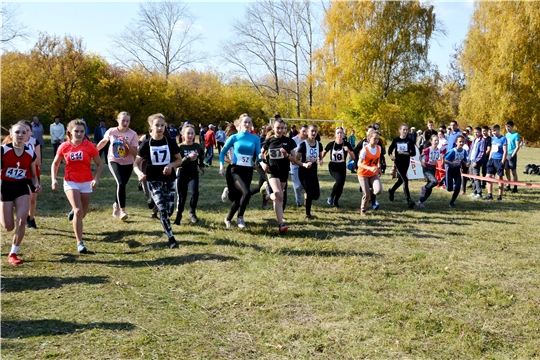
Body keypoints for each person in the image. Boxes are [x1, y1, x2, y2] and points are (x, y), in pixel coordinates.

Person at [51, 119, 103, 254]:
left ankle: (74, 212)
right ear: (70, 132)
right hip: (70, 181)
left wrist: (96, 179)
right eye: (76, 131)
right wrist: (53, 179)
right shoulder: (64, 146)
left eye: (82, 131)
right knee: (79, 211)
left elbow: (100, 164)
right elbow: (55, 164)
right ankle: (80, 242)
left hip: (86, 182)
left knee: (82, 214)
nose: (79, 134)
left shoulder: (89, 146)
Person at [133, 113, 183, 249]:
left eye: (162, 125)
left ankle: (154, 201)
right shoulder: (145, 144)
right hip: (153, 179)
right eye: (157, 125)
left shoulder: (170, 142)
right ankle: (171, 237)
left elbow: (179, 160)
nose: (160, 128)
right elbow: (135, 164)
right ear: (151, 126)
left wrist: (171, 165)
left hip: (169, 179)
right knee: (163, 210)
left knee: (170, 209)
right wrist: (139, 173)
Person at [1, 123, 41, 264]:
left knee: (22, 221)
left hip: (21, 188)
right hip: (4, 188)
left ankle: (13, 253)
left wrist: (36, 184)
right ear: (11, 134)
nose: (20, 135)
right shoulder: (3, 150)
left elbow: (33, 174)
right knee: (8, 227)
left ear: (27, 135)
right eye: (17, 132)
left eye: (23, 132)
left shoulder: (30, 153)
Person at [219, 114, 262, 229]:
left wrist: (261, 158)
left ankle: (228, 218)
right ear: (240, 124)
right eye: (245, 122)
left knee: (239, 199)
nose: (247, 124)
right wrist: (221, 167)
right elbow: (222, 153)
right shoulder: (234, 138)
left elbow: (258, 156)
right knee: (247, 193)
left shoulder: (255, 138)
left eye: (249, 122)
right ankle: (240, 217)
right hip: (235, 170)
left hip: (248, 171)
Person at [97, 111, 138, 221]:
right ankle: (122, 211)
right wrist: (94, 151)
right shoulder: (111, 131)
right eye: (123, 120)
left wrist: (127, 143)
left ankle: (116, 204)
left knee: (122, 184)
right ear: (118, 120)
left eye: (127, 121)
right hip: (113, 160)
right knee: (120, 182)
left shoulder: (133, 134)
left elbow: (135, 153)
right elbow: (104, 142)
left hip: (128, 162)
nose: (125, 123)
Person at [260, 118, 297, 233]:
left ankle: (266, 197)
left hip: (284, 172)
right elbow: (260, 154)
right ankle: (281, 224)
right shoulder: (268, 141)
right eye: (277, 128)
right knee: (279, 195)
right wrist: (263, 163)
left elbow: (294, 159)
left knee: (278, 198)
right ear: (273, 128)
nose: (280, 130)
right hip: (273, 171)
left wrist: (286, 155)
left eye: (282, 128)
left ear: (285, 129)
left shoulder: (289, 141)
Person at [174, 124, 205, 225]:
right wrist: (188, 157)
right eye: (188, 133)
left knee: (195, 193)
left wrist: (201, 165)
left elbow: (201, 155)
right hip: (182, 172)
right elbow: (178, 163)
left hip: (193, 173)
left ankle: (192, 212)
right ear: (183, 134)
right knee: (182, 195)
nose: (190, 135)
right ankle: (179, 216)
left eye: (192, 133)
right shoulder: (180, 147)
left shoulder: (197, 146)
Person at [321, 127, 355, 208]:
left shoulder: (347, 144)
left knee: (341, 184)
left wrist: (349, 151)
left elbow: (353, 157)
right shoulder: (331, 144)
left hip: (342, 166)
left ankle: (336, 201)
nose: (339, 134)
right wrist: (320, 158)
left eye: (341, 133)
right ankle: (331, 196)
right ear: (335, 135)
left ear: (344, 134)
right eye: (338, 133)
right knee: (339, 180)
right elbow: (324, 152)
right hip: (333, 166)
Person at [296, 124, 324, 220]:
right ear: (307, 132)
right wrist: (304, 164)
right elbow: (296, 159)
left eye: (315, 131)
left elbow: (320, 156)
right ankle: (308, 214)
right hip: (303, 171)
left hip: (313, 171)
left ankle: (306, 196)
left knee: (316, 195)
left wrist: (320, 160)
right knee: (310, 192)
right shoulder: (303, 145)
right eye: (312, 131)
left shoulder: (319, 144)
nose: (314, 133)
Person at [388, 124, 417, 208]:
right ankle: (409, 200)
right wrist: (391, 156)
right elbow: (390, 150)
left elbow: (413, 153)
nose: (405, 131)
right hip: (398, 162)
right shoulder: (396, 140)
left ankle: (392, 190)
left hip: (406, 162)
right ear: (400, 130)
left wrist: (405, 153)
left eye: (406, 130)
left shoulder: (410, 140)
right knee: (405, 180)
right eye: (403, 130)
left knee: (401, 180)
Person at [20, 121, 42, 230]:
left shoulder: (34, 142)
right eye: (22, 130)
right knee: (23, 198)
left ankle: (31, 218)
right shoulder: (14, 142)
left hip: (33, 172)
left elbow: (39, 162)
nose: (24, 133)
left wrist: (29, 156)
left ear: (30, 131)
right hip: (21, 173)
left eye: (27, 130)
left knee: (32, 199)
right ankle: (23, 218)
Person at [357, 131, 382, 216]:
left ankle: (368, 190)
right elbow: (359, 164)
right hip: (363, 174)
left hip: (373, 174)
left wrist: (379, 167)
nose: (376, 140)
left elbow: (378, 160)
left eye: (377, 138)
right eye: (374, 138)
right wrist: (370, 168)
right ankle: (363, 209)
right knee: (367, 195)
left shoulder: (379, 148)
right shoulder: (365, 149)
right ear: (369, 138)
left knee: (378, 191)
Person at [444, 135, 469, 207]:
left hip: (457, 170)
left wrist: (466, 163)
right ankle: (444, 179)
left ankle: (452, 202)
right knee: (449, 189)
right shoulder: (452, 151)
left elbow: (464, 159)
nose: (461, 143)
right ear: (456, 142)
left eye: (463, 142)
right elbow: (444, 161)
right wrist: (451, 163)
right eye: (460, 142)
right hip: (450, 170)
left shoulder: (464, 151)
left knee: (458, 188)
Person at [484, 124, 507, 201]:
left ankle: (500, 195)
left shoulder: (503, 139)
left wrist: (502, 163)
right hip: (492, 160)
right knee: (488, 177)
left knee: (499, 178)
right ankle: (489, 194)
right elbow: (492, 150)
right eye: (492, 131)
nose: (493, 132)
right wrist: (489, 159)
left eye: (494, 131)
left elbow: (505, 152)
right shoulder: (492, 139)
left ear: (498, 130)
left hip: (499, 160)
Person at [417, 135, 441, 207]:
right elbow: (420, 156)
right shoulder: (428, 149)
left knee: (430, 188)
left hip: (433, 168)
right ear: (431, 141)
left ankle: (420, 201)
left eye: (437, 140)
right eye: (435, 140)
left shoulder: (440, 150)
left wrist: (443, 159)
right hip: (427, 168)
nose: (436, 142)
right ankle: (424, 188)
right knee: (434, 182)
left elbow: (442, 161)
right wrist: (422, 162)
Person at [290, 124, 308, 207]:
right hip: (295, 165)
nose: (305, 133)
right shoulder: (293, 140)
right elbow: (289, 152)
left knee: (307, 184)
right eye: (303, 131)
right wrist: (292, 159)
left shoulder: (308, 141)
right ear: (299, 130)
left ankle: (306, 197)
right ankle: (298, 202)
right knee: (298, 186)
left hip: (305, 165)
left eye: (306, 131)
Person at [468, 127, 486, 199]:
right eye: (474, 132)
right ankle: (474, 191)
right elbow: (471, 150)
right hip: (471, 159)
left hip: (476, 161)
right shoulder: (474, 140)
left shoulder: (482, 140)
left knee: (476, 177)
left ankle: (479, 193)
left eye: (477, 132)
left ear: (480, 132)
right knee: (472, 177)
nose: (476, 134)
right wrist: (469, 160)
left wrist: (476, 161)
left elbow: (481, 152)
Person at [504, 120, 521, 193]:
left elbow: (517, 146)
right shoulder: (506, 135)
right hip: (506, 154)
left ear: (512, 127)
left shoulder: (516, 135)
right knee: (506, 171)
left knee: (513, 171)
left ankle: (515, 187)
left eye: (509, 126)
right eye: (506, 127)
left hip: (512, 155)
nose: (507, 128)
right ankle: (508, 186)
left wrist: (513, 155)